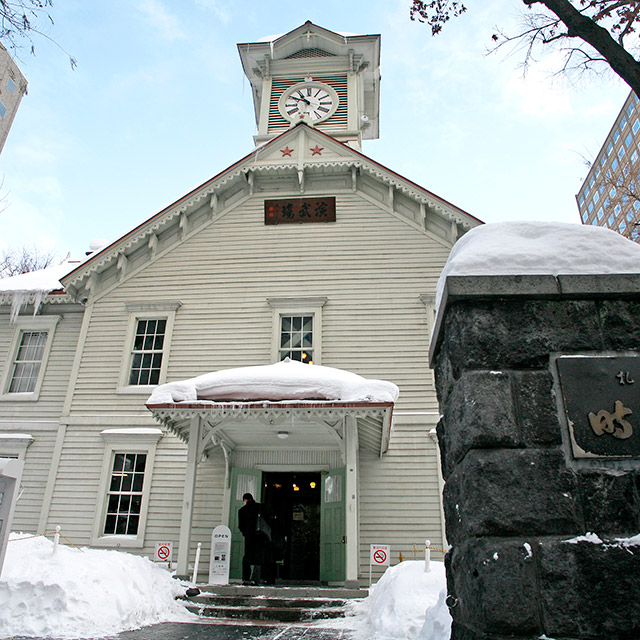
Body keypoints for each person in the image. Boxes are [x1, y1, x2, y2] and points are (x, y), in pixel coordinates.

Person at [238, 492, 271, 585]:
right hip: (261, 537)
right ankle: (262, 577)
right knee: (262, 557)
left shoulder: (242, 511)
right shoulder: (261, 508)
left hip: (249, 537)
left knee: (247, 558)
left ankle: (246, 578)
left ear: (245, 500)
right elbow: (268, 521)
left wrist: (246, 533)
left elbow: (241, 526)